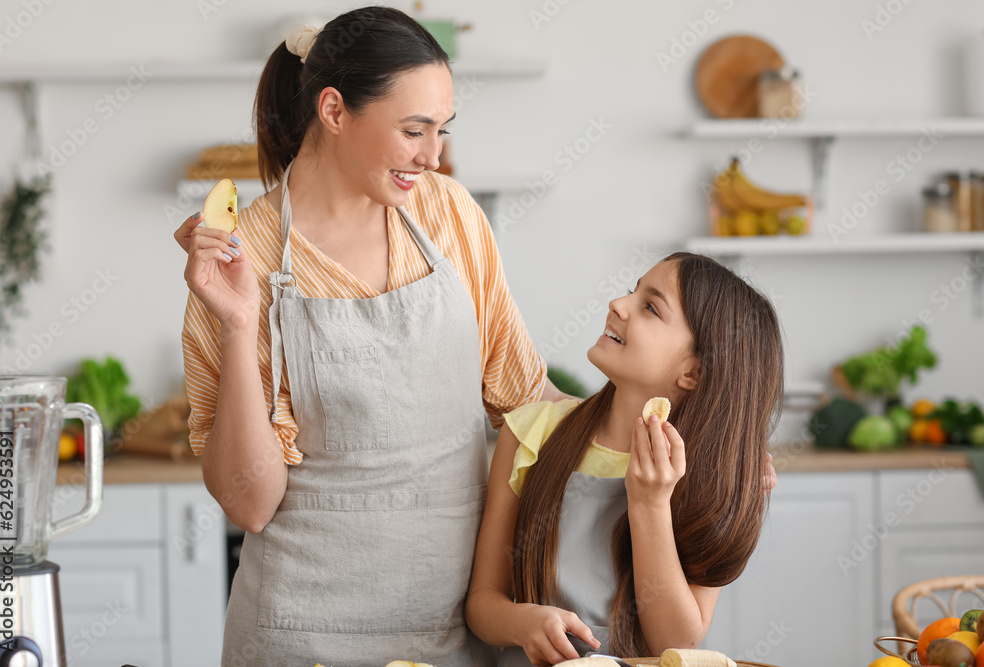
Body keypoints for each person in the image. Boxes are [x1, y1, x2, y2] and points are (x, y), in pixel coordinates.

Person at [174, 7, 574, 666]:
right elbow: (249, 501)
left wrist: (694, 447)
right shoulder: (242, 256)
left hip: (452, 631)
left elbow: (528, 401)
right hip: (299, 636)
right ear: (334, 111)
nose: (433, 154)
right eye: (413, 130)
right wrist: (240, 320)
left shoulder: (450, 214)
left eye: (441, 130)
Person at [465, 252, 784, 666]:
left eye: (650, 306)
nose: (618, 303)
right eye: (633, 291)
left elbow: (675, 644)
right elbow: (481, 603)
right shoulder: (530, 434)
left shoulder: (714, 480)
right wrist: (522, 622)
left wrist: (650, 502)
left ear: (693, 372)